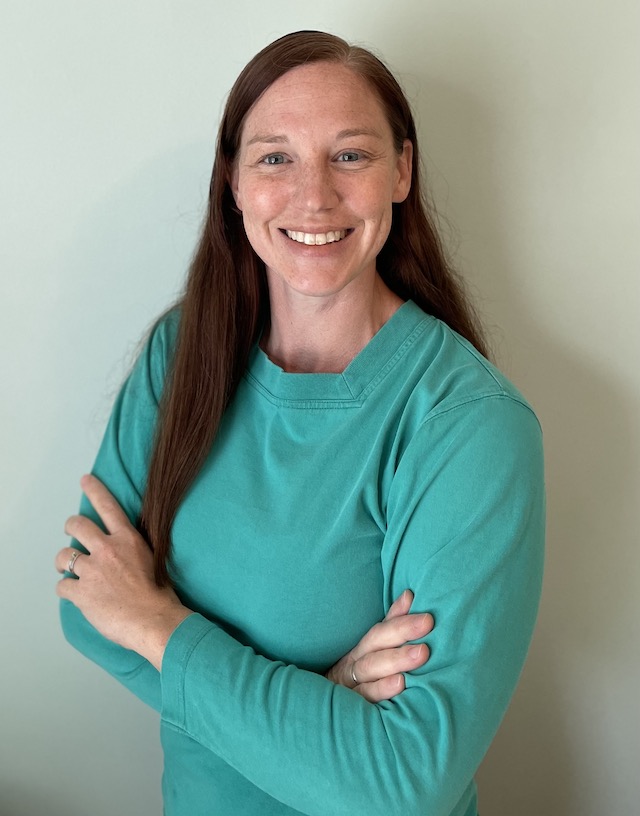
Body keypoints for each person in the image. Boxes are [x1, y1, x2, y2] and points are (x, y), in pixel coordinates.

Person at [55, 30, 545, 816]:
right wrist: (325, 698)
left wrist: (155, 621)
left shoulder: (468, 426)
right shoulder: (181, 353)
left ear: (401, 172)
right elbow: (87, 607)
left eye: (349, 155)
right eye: (275, 157)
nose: (313, 197)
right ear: (234, 182)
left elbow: (401, 785)